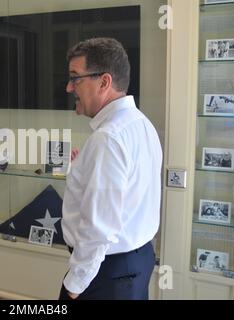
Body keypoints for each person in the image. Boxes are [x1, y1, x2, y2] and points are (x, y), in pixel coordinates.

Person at [59, 38, 162, 300]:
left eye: (75, 78)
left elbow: (99, 229)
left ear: (104, 82)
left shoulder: (108, 139)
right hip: (135, 262)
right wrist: (85, 168)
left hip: (106, 274)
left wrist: (74, 286)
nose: (69, 87)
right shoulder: (140, 123)